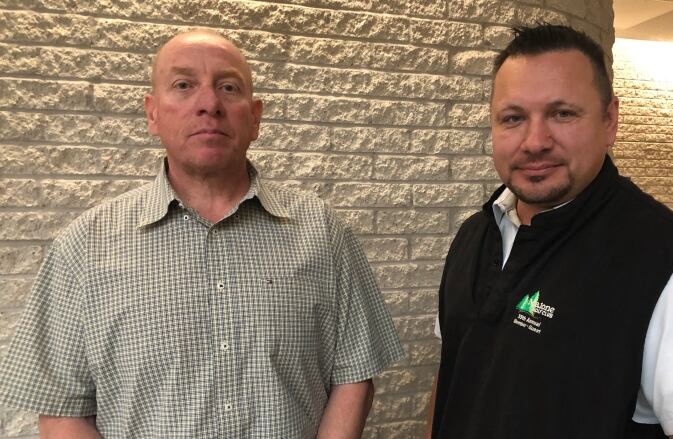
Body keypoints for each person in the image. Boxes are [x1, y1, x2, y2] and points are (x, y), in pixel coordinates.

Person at [0, 30, 404, 438]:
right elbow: (61, 409)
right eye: (183, 85)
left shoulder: (324, 234)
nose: (209, 104)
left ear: (256, 116)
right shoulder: (84, 247)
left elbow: (353, 377)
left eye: (229, 87)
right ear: (152, 113)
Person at [426, 24, 673, 438]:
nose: (535, 141)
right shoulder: (473, 238)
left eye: (562, 113)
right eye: (513, 118)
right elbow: (454, 382)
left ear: (610, 121)